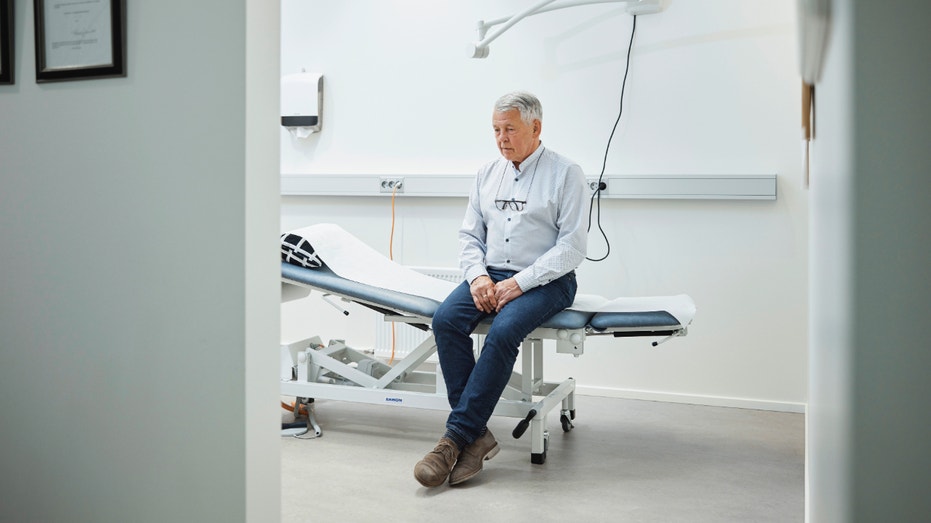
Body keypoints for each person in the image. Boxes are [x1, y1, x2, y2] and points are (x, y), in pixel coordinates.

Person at [413, 91, 588, 488]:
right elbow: (469, 235)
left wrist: (519, 282)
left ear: (536, 128)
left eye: (509, 129)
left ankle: (455, 438)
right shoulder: (487, 173)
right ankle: (476, 436)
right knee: (445, 320)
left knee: (505, 330)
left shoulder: (566, 173)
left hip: (549, 279)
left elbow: (572, 247)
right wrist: (478, 277)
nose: (501, 137)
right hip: (491, 273)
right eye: (495, 129)